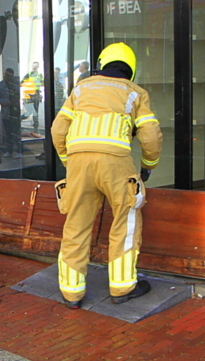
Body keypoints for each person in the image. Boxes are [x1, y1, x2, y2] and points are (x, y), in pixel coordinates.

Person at [51, 42, 162, 309]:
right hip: (116, 163)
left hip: (78, 163)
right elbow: (150, 135)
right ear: (131, 68)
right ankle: (122, 288)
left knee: (76, 225)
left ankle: (71, 294)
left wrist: (70, 161)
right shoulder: (136, 92)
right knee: (125, 222)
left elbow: (57, 130)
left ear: (101, 64)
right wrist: (148, 166)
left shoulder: (80, 89)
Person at [0, 67, 21, 158]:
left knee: (16, 131)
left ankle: (19, 151)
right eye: (6, 75)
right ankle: (9, 151)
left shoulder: (16, 85)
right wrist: (5, 102)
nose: (7, 77)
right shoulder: (0, 85)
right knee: (8, 132)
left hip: (15, 111)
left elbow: (19, 96)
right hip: (6, 112)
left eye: (9, 76)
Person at [21, 61, 44, 133]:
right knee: (29, 112)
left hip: (36, 95)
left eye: (35, 66)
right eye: (33, 66)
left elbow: (43, 83)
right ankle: (18, 119)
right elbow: (21, 83)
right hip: (28, 95)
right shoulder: (28, 74)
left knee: (35, 113)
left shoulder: (39, 75)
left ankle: (36, 129)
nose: (34, 68)